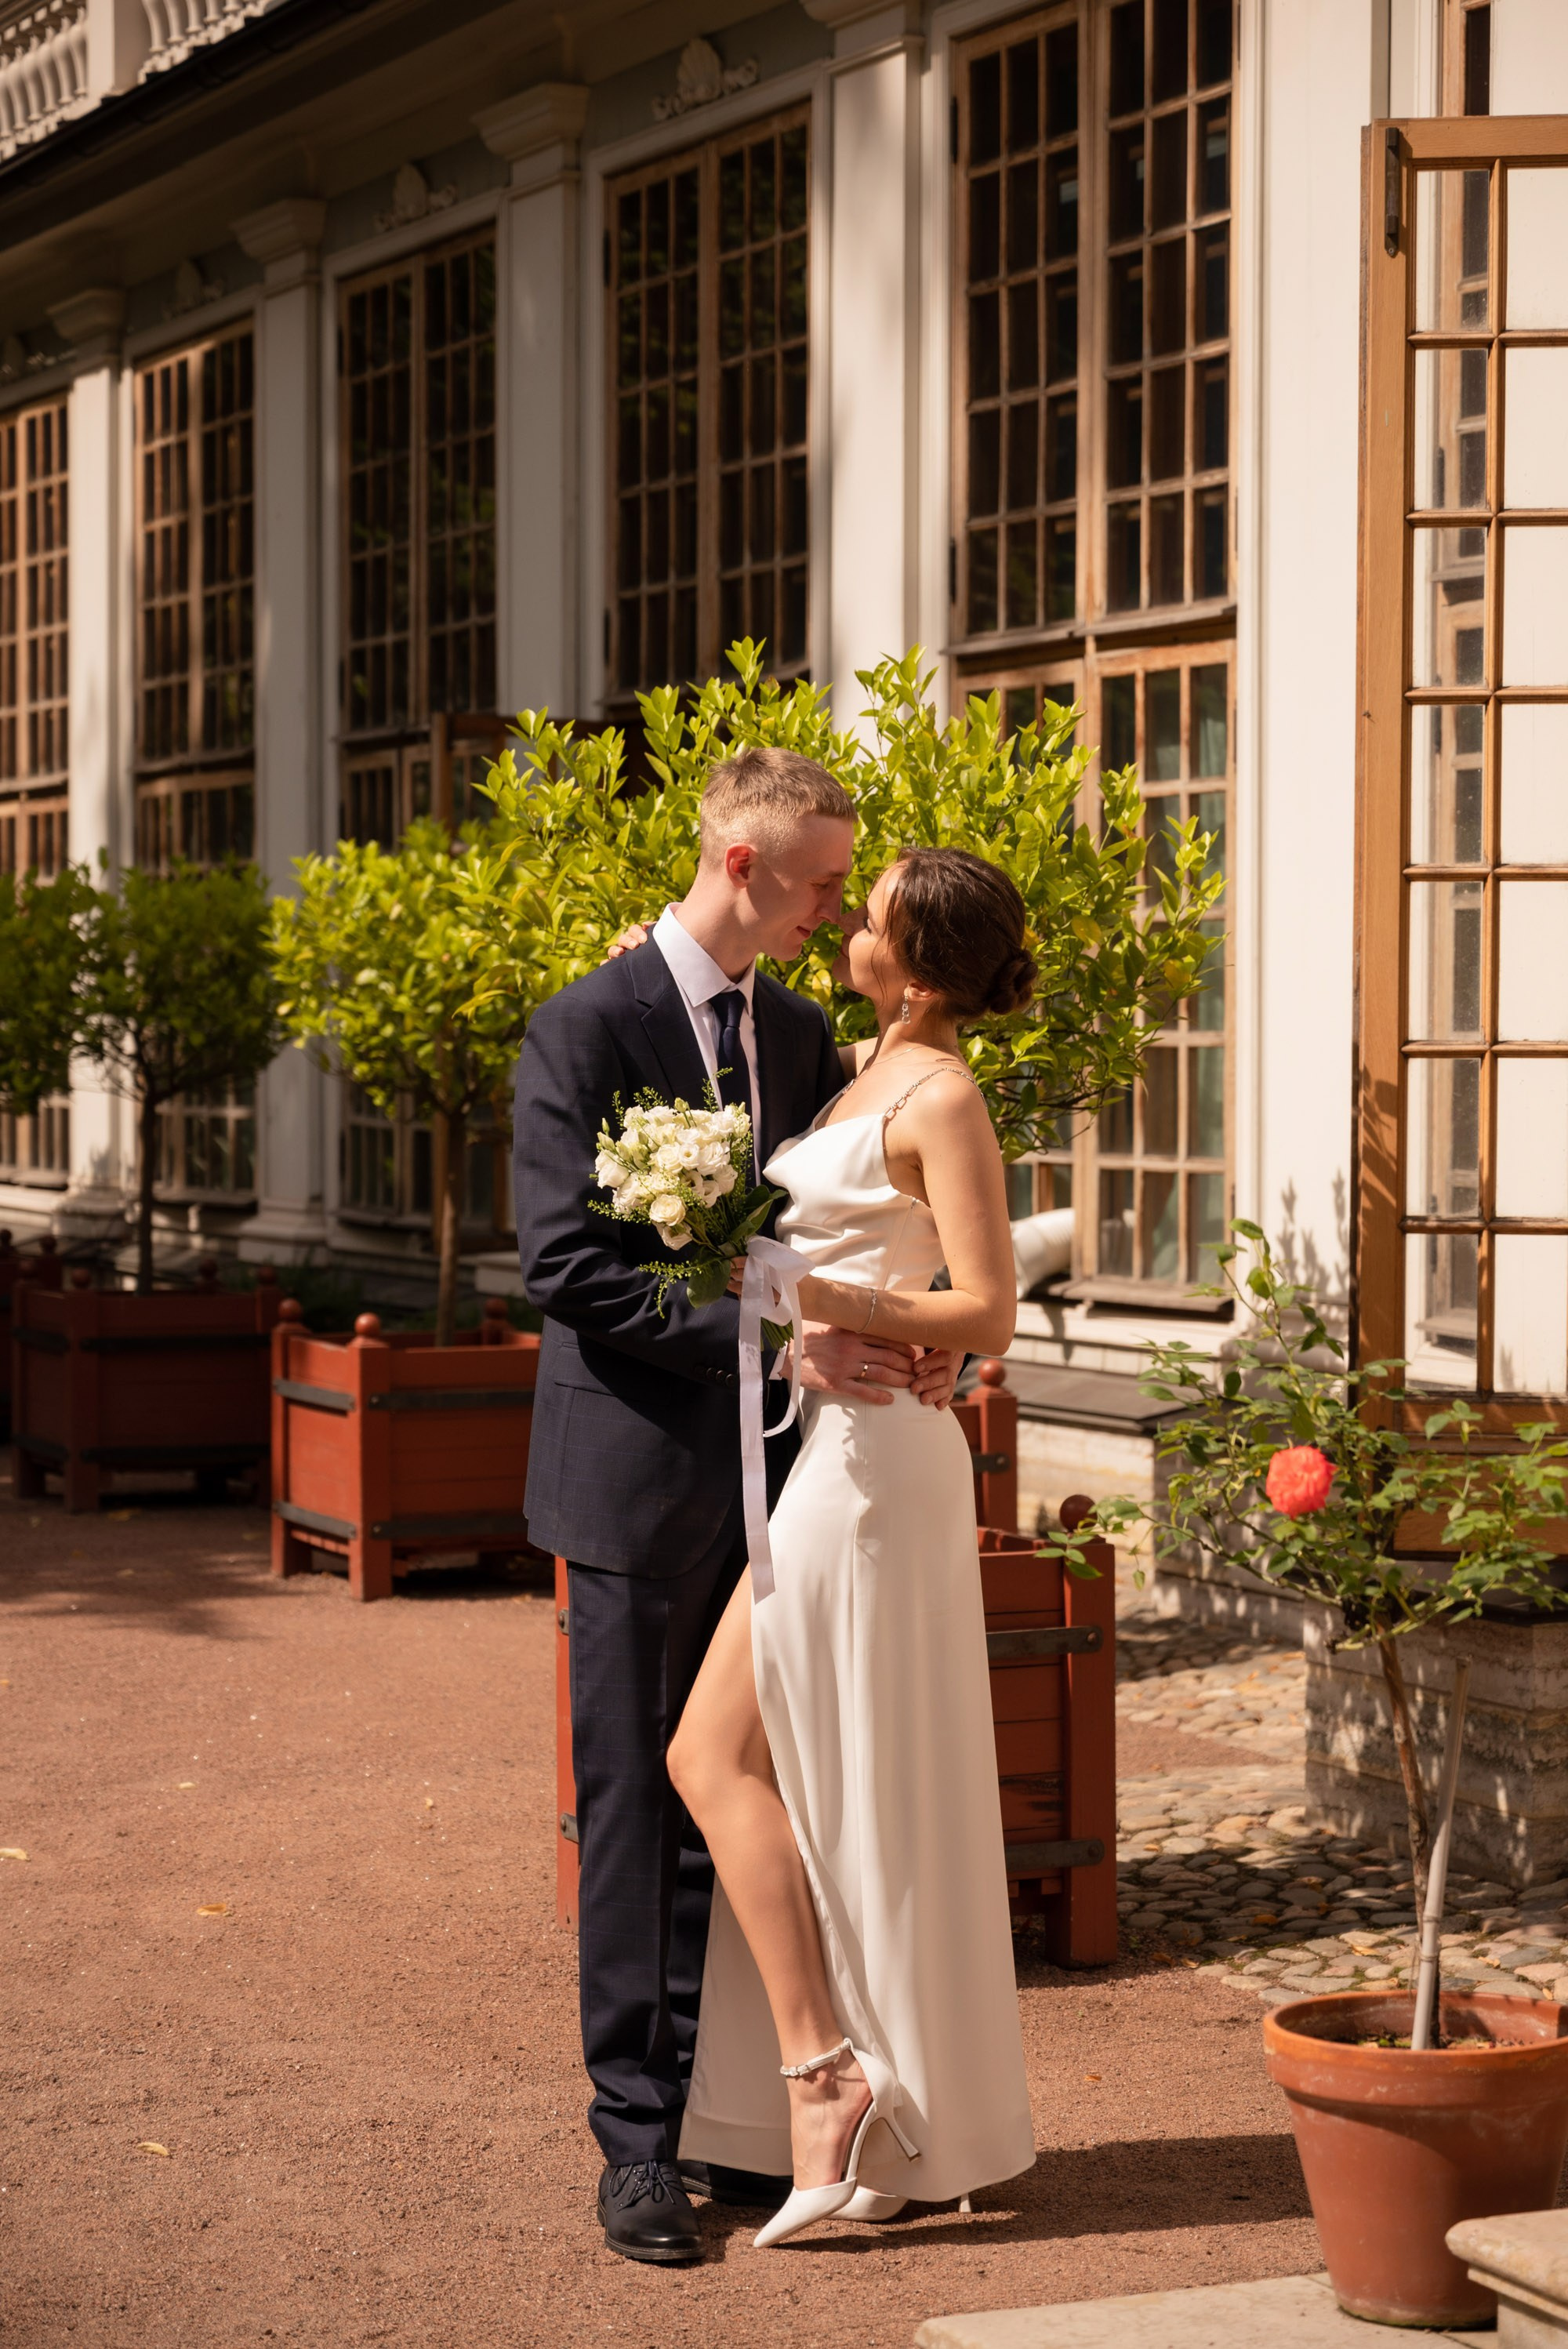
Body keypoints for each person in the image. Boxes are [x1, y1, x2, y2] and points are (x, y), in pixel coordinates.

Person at [513, 749, 961, 2266]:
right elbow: (565, 1266)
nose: (841, 909)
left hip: (806, 1475)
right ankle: (637, 2147)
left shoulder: (803, 1031)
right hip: (635, 1478)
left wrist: (934, 1346)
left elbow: (858, 1224)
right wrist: (772, 1346)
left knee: (759, 1790)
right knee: (641, 1807)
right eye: (827, 882)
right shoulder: (586, 1023)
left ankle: (742, 2123)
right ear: (746, 865)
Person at [667, 846, 1038, 2246]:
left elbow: (986, 1310)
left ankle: (834, 2082)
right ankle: (871, 2102)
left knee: (717, 1756)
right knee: (830, 1777)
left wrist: (821, 1299)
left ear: (919, 966)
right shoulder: (856, 1067)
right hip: (831, 1450)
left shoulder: (942, 1093)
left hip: (877, 1469)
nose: (846, 924)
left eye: (868, 914)